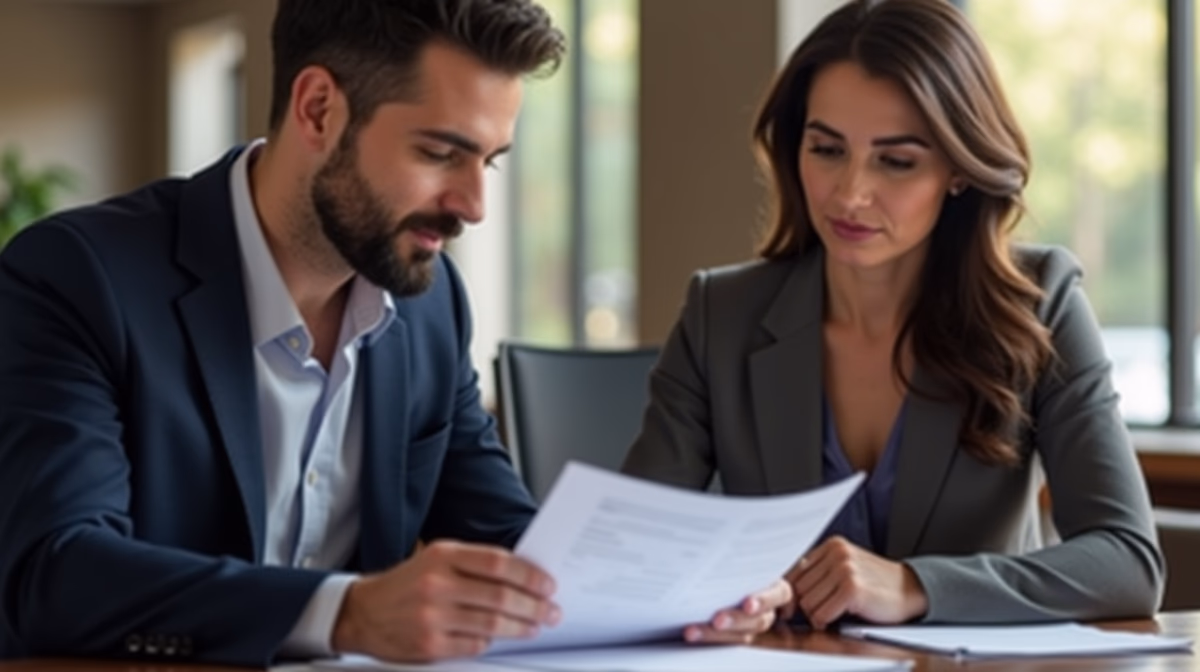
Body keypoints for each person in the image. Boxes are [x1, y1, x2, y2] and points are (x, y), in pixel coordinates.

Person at [0, 0, 788, 666]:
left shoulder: (429, 302)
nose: (475, 204)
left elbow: (506, 538)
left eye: (492, 161)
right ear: (318, 109)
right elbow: (55, 571)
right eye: (441, 152)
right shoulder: (76, 277)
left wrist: (679, 595)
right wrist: (345, 613)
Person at [621, 0, 1164, 630]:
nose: (850, 193)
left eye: (896, 160)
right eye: (826, 149)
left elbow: (1128, 563)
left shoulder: (1041, 302)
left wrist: (915, 586)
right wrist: (725, 595)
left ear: (959, 169)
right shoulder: (722, 314)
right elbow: (637, 547)